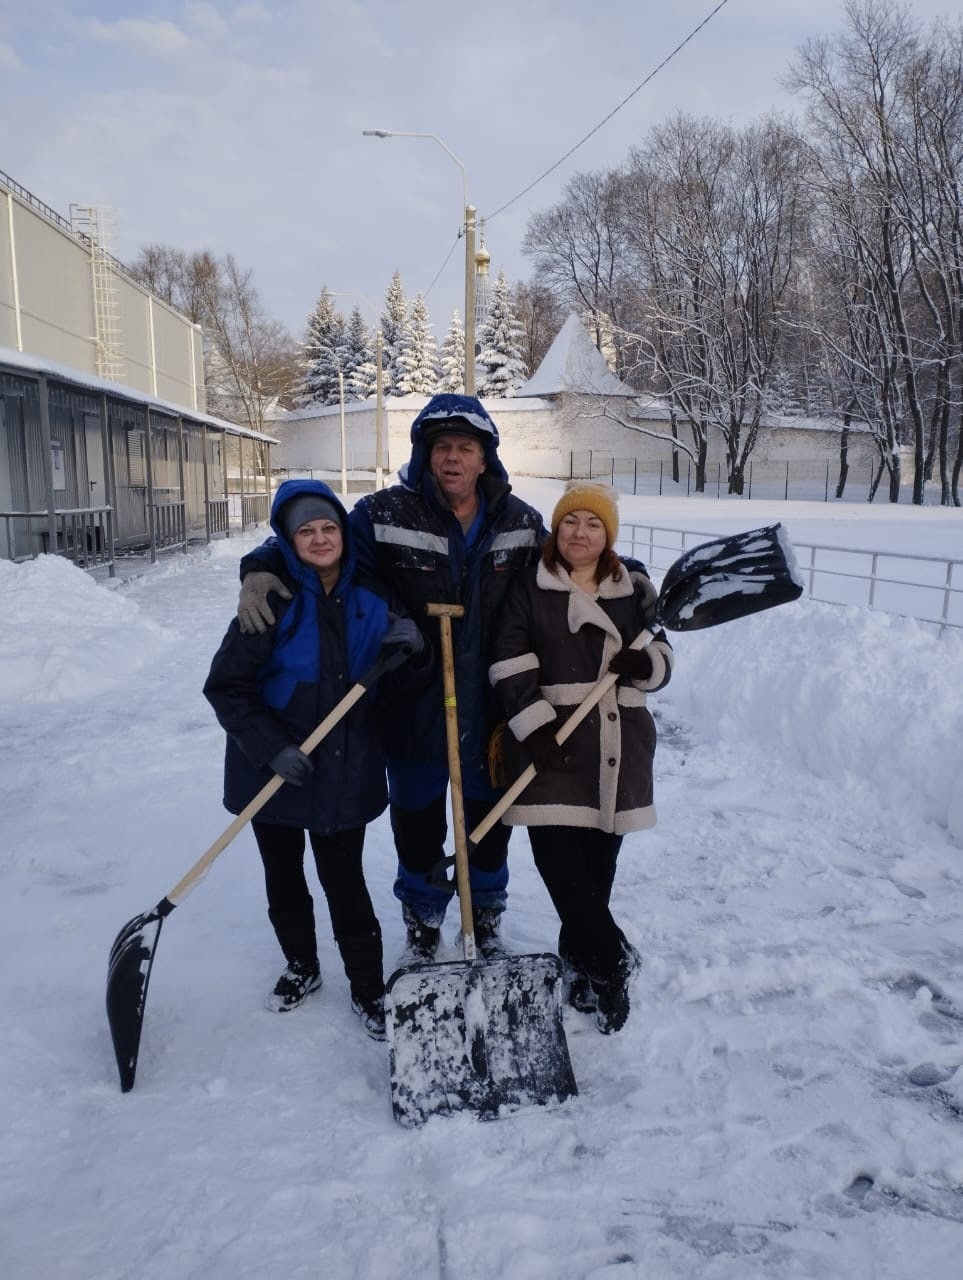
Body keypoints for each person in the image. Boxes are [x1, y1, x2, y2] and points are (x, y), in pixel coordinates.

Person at [235, 395, 547, 963]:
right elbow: (316, 544)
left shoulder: (520, 523)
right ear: (425, 455)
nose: (452, 459)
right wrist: (259, 568)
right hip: (411, 706)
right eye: (441, 448)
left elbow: (573, 565)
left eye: (465, 448)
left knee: (490, 822)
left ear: (485, 458)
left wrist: (636, 577)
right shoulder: (385, 514)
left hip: (492, 708)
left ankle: (486, 916)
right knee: (419, 824)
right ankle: (424, 921)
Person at [203, 478, 430, 1038]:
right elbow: (227, 687)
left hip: (343, 769)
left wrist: (411, 655)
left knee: (345, 882)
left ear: (344, 534)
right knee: (284, 877)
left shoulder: (373, 600)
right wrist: (271, 749)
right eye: (306, 530)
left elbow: (399, 692)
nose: (321, 538)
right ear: (287, 537)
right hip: (271, 772)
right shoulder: (270, 599)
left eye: (329, 527)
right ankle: (301, 966)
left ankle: (367, 987)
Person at [488, 481, 674, 1034]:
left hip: (616, 749)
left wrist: (648, 667)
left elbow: (662, 654)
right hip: (554, 749)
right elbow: (509, 660)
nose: (580, 533)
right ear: (557, 528)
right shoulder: (530, 587)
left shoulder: (632, 592)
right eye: (571, 522)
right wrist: (535, 727)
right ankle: (613, 965)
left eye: (594, 524)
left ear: (608, 535)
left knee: (597, 875)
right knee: (561, 870)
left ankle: (580, 969)